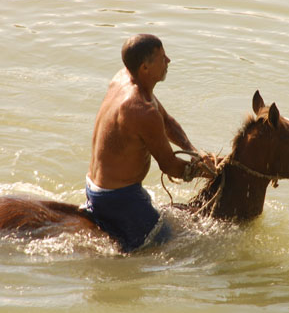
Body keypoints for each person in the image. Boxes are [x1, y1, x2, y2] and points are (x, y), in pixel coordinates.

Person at [85, 34, 214, 252]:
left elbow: (167, 121)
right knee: (171, 244)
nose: (169, 61)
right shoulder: (141, 111)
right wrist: (209, 172)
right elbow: (170, 166)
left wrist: (194, 153)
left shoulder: (124, 78)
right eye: (163, 58)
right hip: (118, 198)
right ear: (145, 68)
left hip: (97, 186)